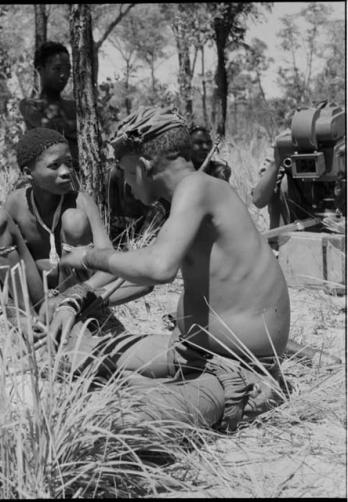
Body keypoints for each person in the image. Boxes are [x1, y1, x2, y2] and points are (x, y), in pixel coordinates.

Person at [59, 106, 291, 431]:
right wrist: (80, 298)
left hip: (239, 370)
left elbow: (158, 268)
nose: (125, 185)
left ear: (142, 167)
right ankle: (143, 384)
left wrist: (91, 257)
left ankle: (152, 391)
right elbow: (145, 278)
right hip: (192, 352)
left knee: (118, 424)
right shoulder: (189, 195)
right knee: (75, 356)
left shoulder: (199, 188)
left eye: (125, 173)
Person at [0, 127, 152, 343]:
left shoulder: (81, 200)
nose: (65, 171)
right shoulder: (16, 203)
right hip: (34, 301)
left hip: (72, 297)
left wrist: (74, 296)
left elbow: (109, 264)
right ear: (27, 173)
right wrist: (14, 314)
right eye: (54, 165)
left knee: (74, 220)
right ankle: (31, 325)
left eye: (68, 163)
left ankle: (73, 320)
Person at [19, 42, 79, 175]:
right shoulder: (29, 105)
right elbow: (51, 130)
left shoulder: (74, 106)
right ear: (40, 70)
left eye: (68, 69)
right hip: (47, 181)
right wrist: (74, 129)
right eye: (57, 69)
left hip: (77, 180)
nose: (64, 75)